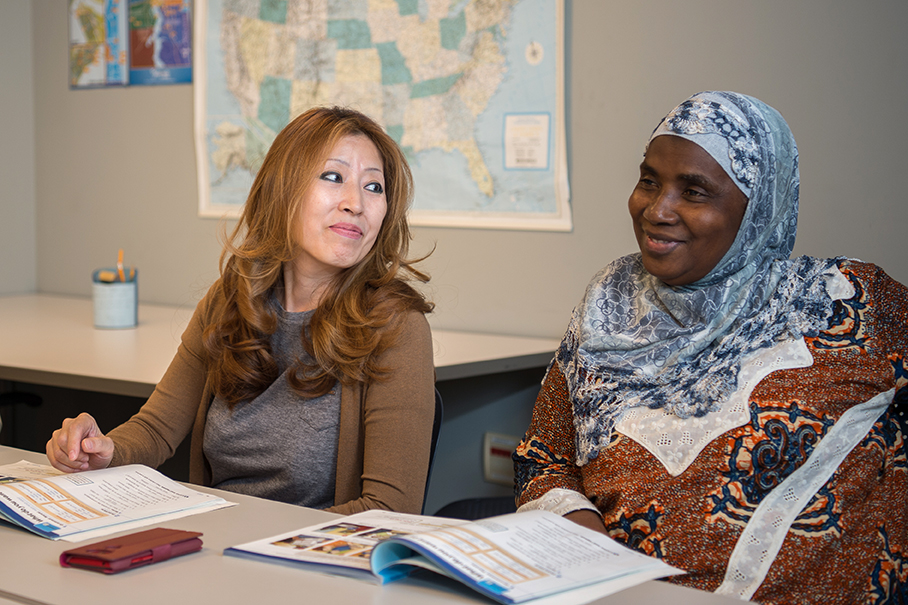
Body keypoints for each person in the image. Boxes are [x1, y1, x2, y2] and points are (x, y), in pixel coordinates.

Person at [514, 91, 908, 604]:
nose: (657, 210)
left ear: (758, 206)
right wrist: (589, 550)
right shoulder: (609, 305)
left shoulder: (851, 302)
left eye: (694, 191)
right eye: (648, 181)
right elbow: (543, 459)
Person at [47, 106, 436, 515]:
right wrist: (104, 450)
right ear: (283, 190)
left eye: (374, 187)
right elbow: (157, 429)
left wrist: (248, 538)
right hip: (219, 547)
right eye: (333, 177)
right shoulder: (231, 301)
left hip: (313, 560)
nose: (355, 203)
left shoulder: (397, 326)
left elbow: (390, 508)